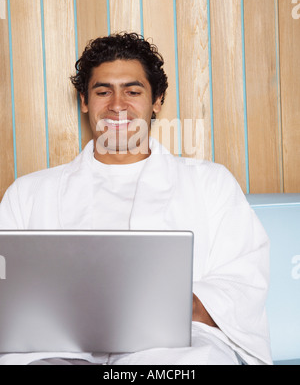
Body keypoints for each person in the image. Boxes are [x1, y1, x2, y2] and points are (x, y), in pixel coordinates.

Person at [0, 33, 272, 365]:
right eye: (103, 92)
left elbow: (243, 279)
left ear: (157, 100)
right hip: (56, 345)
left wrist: (177, 304)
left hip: (173, 345)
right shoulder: (28, 193)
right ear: (85, 100)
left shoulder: (209, 183)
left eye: (133, 91)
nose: (117, 105)